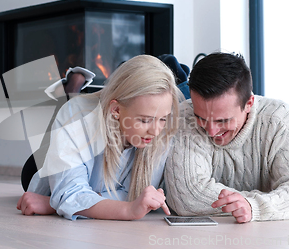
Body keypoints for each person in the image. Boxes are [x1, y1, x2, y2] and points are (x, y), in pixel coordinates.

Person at [17, 54, 183, 220]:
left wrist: (58, 204)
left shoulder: (163, 130)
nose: (155, 131)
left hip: (90, 173)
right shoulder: (76, 117)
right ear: (116, 110)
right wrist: (128, 210)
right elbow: (69, 193)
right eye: (145, 120)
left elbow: (133, 195)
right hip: (47, 168)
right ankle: (69, 92)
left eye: (162, 118)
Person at [165, 52, 289, 223]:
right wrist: (272, 201)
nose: (211, 131)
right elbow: (187, 197)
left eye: (222, 120)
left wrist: (253, 206)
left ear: (249, 103)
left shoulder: (280, 121)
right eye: (201, 118)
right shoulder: (184, 116)